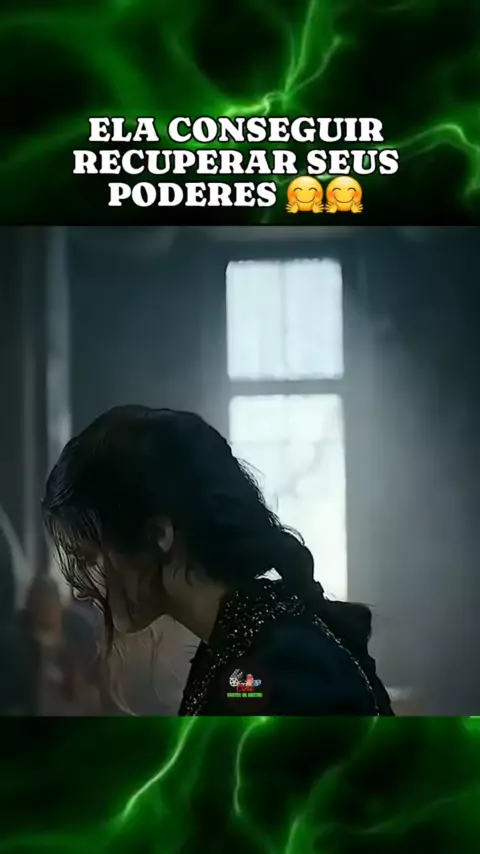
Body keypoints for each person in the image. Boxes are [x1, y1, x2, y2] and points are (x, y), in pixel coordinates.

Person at [42, 405, 393, 716]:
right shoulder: (238, 646)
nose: (80, 591)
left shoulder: (278, 666)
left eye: (88, 558)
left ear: (158, 537)